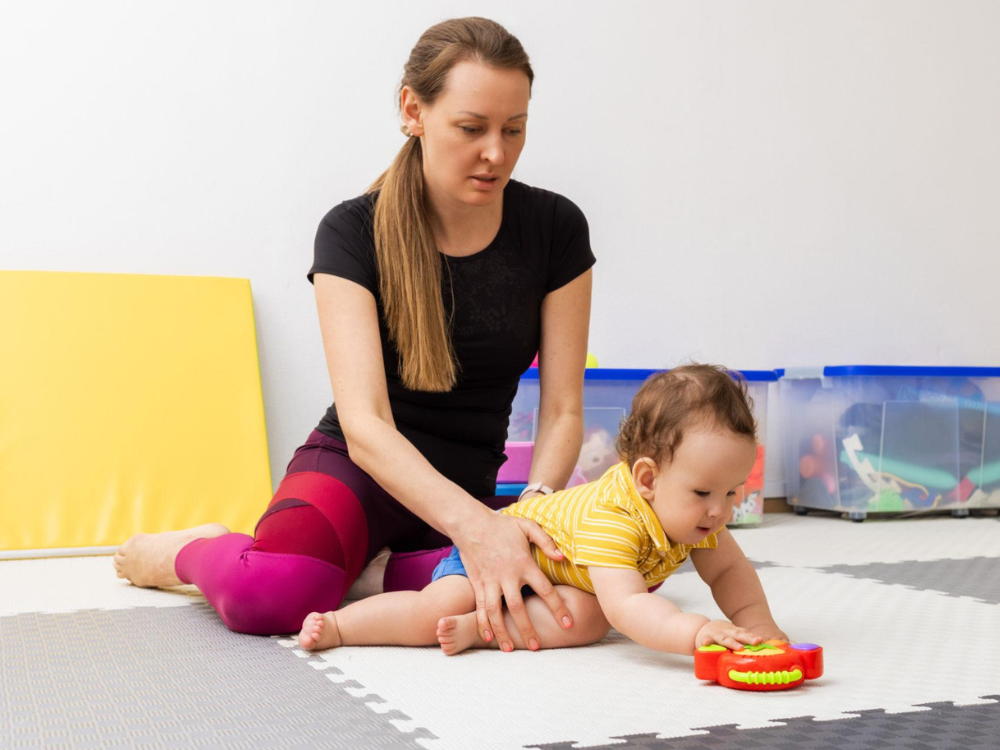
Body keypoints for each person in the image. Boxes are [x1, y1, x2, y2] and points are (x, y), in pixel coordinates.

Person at [113, 17, 600, 652]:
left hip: (464, 488)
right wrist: (478, 530)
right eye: (471, 128)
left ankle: (363, 575)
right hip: (354, 469)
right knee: (272, 597)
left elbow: (563, 409)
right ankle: (192, 551)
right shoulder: (350, 232)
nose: (496, 154)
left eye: (514, 129)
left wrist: (532, 510)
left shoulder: (557, 228)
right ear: (413, 111)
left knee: (560, 589)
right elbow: (365, 425)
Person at [297, 365, 789, 656]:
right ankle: (343, 626)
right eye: (704, 493)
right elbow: (630, 607)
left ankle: (482, 632)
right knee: (436, 609)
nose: (720, 511)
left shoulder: (703, 516)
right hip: (498, 554)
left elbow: (730, 573)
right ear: (647, 480)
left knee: (588, 619)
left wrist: (760, 625)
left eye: (732, 492)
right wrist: (697, 632)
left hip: (560, 578)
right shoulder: (614, 519)